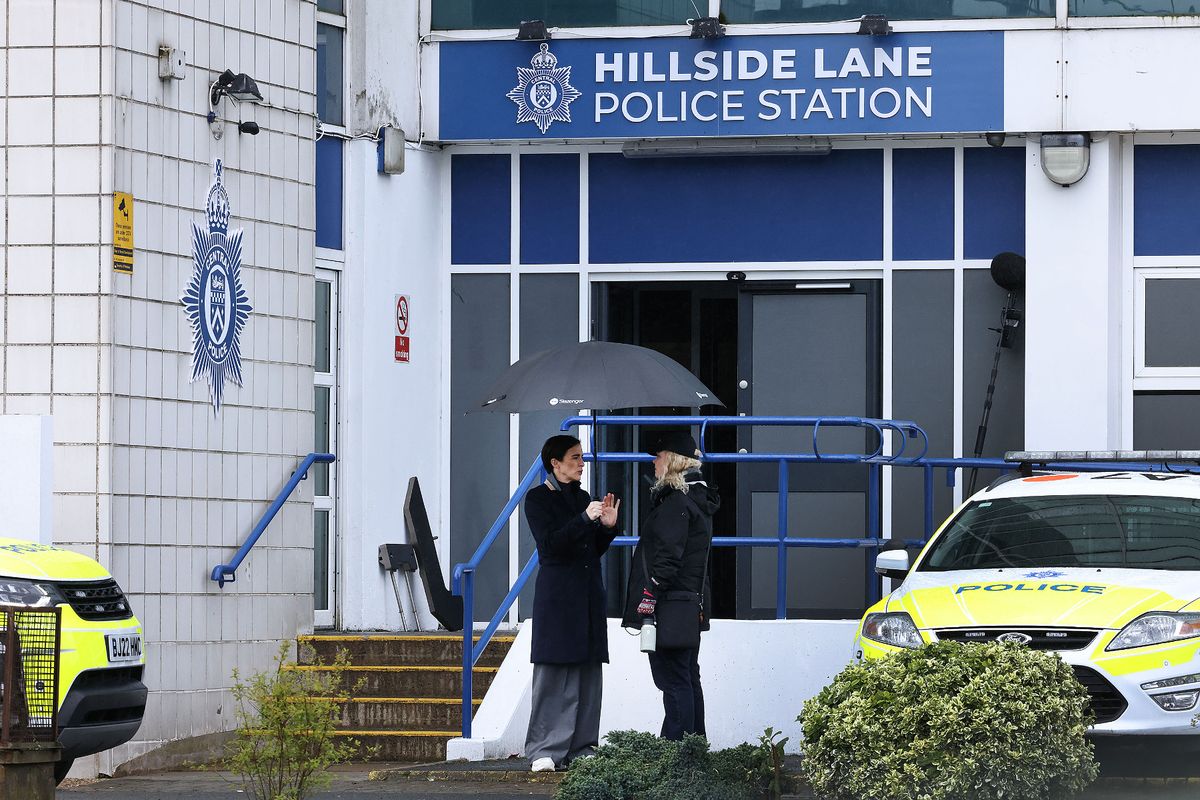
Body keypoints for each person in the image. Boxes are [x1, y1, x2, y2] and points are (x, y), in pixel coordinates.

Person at [524, 434, 620, 772]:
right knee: (554, 672)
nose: (582, 463)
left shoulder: (584, 498)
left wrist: (606, 528)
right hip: (559, 597)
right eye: (575, 457)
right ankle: (544, 750)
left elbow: (590, 550)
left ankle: (582, 747)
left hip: (588, 593)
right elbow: (550, 546)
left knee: (588, 673)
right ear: (555, 462)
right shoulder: (537, 499)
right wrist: (584, 519)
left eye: (582, 457)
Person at [622, 430, 718, 740]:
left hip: (671, 605)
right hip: (688, 604)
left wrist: (649, 595)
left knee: (674, 680)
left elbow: (667, 559)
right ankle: (693, 746)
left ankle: (677, 752)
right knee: (687, 677)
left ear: (673, 462)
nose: (654, 461)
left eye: (660, 456)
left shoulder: (676, 503)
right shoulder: (695, 501)